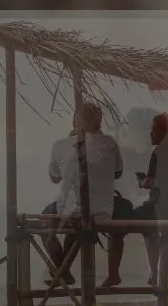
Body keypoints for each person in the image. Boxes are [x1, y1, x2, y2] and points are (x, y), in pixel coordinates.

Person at [103, 112, 168, 288]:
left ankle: (115, 274)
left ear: (164, 132)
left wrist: (144, 183)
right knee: (151, 231)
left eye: (154, 131)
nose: (151, 135)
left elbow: (152, 183)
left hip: (160, 209)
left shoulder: (159, 153)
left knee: (118, 226)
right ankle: (156, 274)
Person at [41, 103, 123, 285]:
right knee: (75, 224)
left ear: (77, 120)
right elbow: (118, 172)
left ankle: (62, 269)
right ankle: (64, 272)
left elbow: (54, 178)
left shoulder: (62, 145)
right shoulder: (110, 144)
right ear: (99, 121)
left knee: (43, 222)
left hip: (74, 211)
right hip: (104, 212)